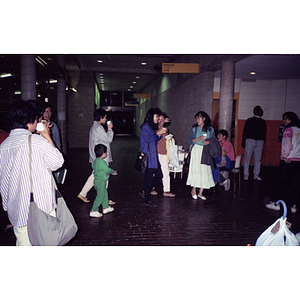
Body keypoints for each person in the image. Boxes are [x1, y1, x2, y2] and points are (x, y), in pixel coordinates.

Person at [0, 100, 64, 246]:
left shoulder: (4, 145)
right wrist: (47, 136)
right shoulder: (36, 141)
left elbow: (3, 180)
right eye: (38, 118)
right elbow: (57, 162)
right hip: (40, 208)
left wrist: (7, 206)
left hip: (16, 209)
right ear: (31, 120)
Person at [266, 112, 300, 218]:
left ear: (290, 120)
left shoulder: (288, 130)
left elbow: (287, 145)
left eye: (285, 119)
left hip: (287, 160)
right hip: (297, 161)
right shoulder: (299, 130)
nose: (284, 121)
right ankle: (294, 205)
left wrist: (285, 156)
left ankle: (277, 204)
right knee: (295, 184)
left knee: (282, 183)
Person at [77, 108, 115, 205]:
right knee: (104, 177)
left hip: (97, 156)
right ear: (101, 117)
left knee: (95, 176)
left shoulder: (95, 127)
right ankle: (103, 198)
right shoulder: (98, 128)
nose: (106, 119)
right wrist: (110, 129)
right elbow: (108, 139)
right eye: (105, 117)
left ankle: (83, 193)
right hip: (101, 157)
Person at [139, 108, 167, 206]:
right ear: (151, 116)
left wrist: (160, 133)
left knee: (159, 176)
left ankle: (146, 191)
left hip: (153, 156)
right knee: (149, 177)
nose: (157, 118)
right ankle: (147, 197)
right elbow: (148, 139)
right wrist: (158, 133)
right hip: (148, 156)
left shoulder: (151, 127)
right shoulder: (146, 127)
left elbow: (156, 138)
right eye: (156, 116)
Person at [186, 111, 216, 200]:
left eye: (199, 118)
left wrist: (208, 142)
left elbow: (213, 141)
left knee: (205, 170)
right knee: (196, 170)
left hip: (206, 151)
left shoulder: (210, 129)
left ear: (204, 118)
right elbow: (191, 141)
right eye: (196, 118)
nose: (197, 120)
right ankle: (194, 190)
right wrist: (199, 138)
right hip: (196, 150)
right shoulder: (195, 129)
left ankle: (201, 192)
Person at [90, 144, 117, 218]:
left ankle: (105, 207)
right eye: (106, 152)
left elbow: (95, 168)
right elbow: (107, 170)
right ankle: (93, 210)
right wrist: (113, 171)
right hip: (101, 181)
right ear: (103, 153)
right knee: (100, 196)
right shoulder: (102, 162)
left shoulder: (95, 161)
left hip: (97, 181)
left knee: (104, 193)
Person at [242, 105, 266, 180]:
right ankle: (246, 174)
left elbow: (264, 133)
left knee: (257, 159)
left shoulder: (262, 121)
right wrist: (243, 141)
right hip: (250, 140)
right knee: (247, 158)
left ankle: (256, 174)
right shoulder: (250, 120)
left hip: (259, 141)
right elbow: (245, 131)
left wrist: (263, 141)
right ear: (255, 111)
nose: (260, 111)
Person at [156, 112, 175, 197]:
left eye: (162, 119)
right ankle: (151, 188)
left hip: (164, 153)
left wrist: (170, 138)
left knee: (166, 172)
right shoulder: (154, 129)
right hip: (156, 153)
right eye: (159, 119)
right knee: (154, 172)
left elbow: (166, 141)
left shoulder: (165, 130)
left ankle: (166, 190)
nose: (160, 121)